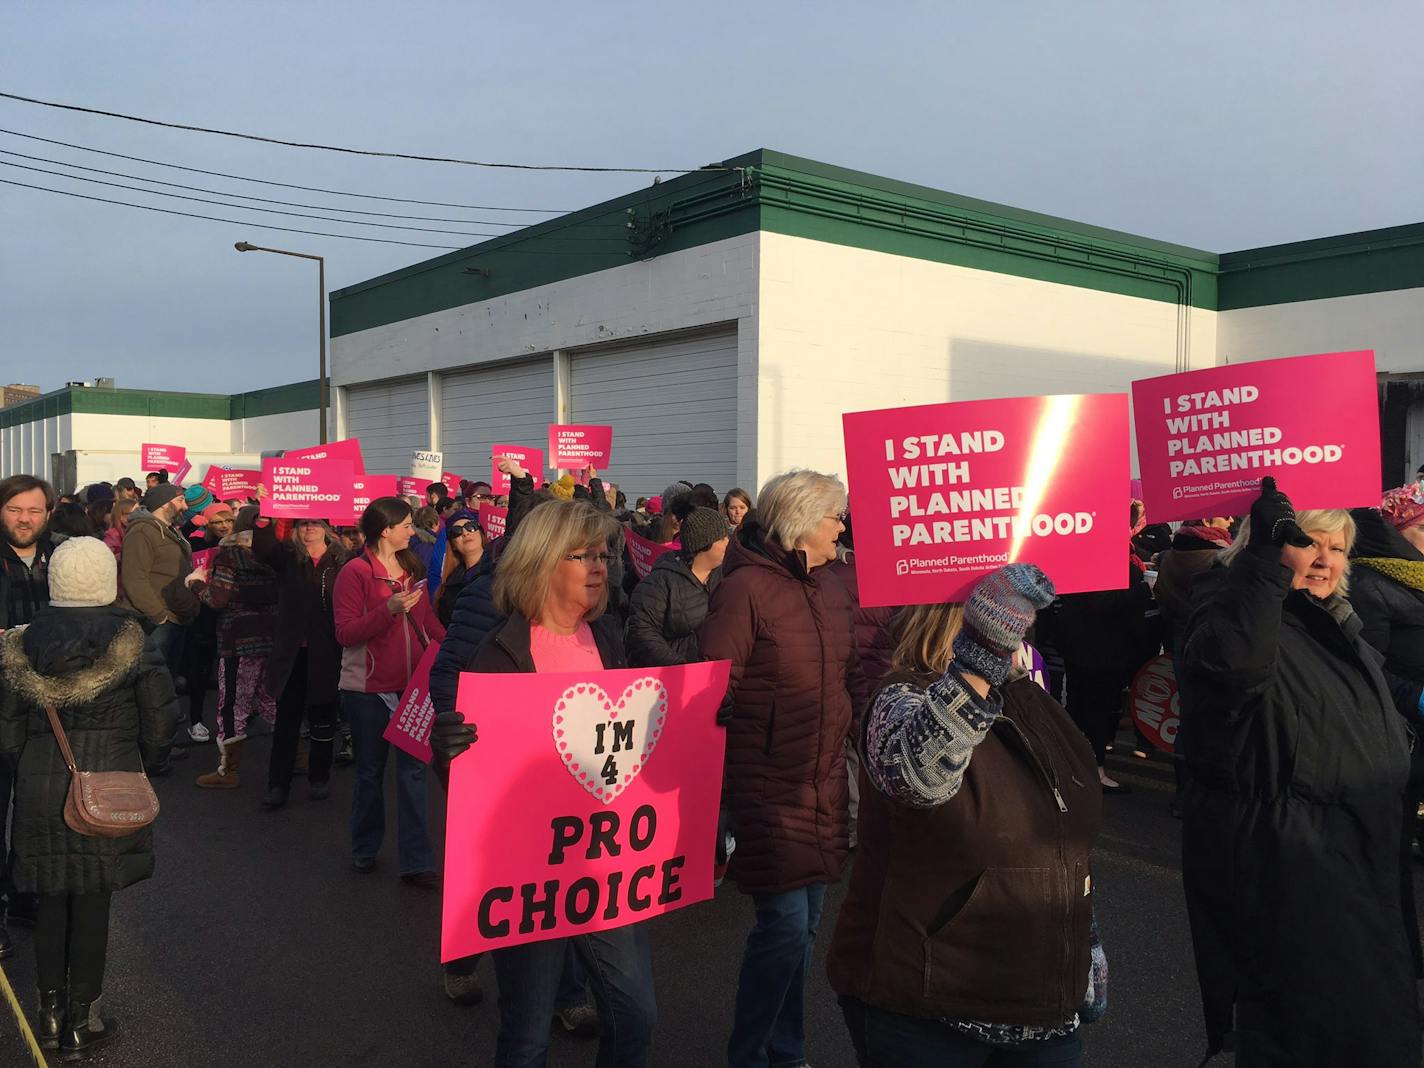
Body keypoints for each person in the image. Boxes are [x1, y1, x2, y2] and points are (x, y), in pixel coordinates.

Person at [1177, 478, 1419, 1066]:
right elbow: (1233, 668)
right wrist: (1265, 561)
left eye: (1338, 547)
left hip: (1358, 864)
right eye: (1309, 542)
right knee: (1306, 1036)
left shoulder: (1333, 623)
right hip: (1290, 875)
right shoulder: (1234, 612)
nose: (1325, 560)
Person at [828, 565, 1104, 1066]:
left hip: (1042, 1006)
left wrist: (1088, 955)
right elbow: (918, 777)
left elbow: (1067, 833)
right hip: (932, 1008)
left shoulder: (1030, 698)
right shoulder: (901, 698)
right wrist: (979, 662)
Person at [429, 499, 657, 1067]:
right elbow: (473, 789)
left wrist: (698, 723)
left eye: (604, 554)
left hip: (604, 860)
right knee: (527, 1035)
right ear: (541, 562)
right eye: (583, 556)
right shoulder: (498, 654)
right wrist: (448, 753)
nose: (601, 566)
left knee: (634, 1015)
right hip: (528, 871)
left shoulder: (607, 638)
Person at [699, 469, 867, 1068]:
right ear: (800, 524)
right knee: (785, 930)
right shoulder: (744, 589)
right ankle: (748, 1054)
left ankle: (787, 1051)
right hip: (768, 783)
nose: (843, 526)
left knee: (804, 932)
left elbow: (855, 670)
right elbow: (714, 683)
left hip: (823, 780)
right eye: (834, 517)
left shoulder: (831, 585)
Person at [0, 535, 178, 1057]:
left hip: (41, 786)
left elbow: (7, 737)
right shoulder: (131, 639)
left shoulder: (20, 644)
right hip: (109, 784)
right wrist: (145, 757)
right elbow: (161, 720)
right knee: (94, 897)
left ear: (56, 582)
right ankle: (84, 1017)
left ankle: (48, 1013)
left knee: (52, 897)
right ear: (107, 579)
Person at [334, 497, 445, 880]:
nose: (412, 532)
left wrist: (452, 654)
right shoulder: (355, 572)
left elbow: (429, 623)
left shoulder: (412, 567)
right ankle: (365, 847)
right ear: (386, 530)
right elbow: (345, 633)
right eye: (407, 526)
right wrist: (388, 610)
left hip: (414, 688)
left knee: (413, 773)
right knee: (370, 771)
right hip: (367, 689)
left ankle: (417, 862)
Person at [1348, 484, 1424, 974]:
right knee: (1391, 857)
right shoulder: (1369, 582)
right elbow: (1368, 667)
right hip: (1405, 739)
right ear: (1398, 529)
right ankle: (1401, 966)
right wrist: (1415, 696)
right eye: (1423, 527)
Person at [251, 502, 346, 810]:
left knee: (323, 720)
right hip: (292, 652)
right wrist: (263, 513)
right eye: (304, 522)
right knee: (287, 723)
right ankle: (277, 785)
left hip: (328, 651)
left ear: (327, 528)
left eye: (316, 522)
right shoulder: (288, 556)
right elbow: (264, 549)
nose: (309, 527)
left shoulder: (342, 560)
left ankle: (319, 777)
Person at [0, 474, 58, 952]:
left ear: (47, 513)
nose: (25, 519)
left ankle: (22, 896)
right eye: (15, 509)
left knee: (35, 813)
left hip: (46, 706)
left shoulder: (63, 556)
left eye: (33, 510)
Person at [188, 507, 279, 790]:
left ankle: (228, 770)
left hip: (238, 638)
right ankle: (297, 755)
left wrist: (195, 584)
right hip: (274, 634)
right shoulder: (279, 554)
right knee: (273, 698)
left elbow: (217, 599)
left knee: (232, 704)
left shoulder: (231, 554)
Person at [625, 506, 728, 667]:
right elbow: (642, 632)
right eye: (722, 538)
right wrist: (679, 666)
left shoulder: (725, 576)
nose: (728, 542)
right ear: (704, 543)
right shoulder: (659, 582)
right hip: (672, 679)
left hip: (714, 675)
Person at [121, 483, 200, 677]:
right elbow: (134, 578)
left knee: (167, 680)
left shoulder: (170, 529)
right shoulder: (141, 532)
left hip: (177, 616)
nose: (185, 506)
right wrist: (159, 616)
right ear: (165, 504)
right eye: (180, 500)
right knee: (152, 680)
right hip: (159, 622)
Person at [435, 510, 486, 628]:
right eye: (456, 531)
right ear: (453, 545)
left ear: (481, 533)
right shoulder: (449, 589)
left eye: (471, 526)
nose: (465, 533)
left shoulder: (501, 569)